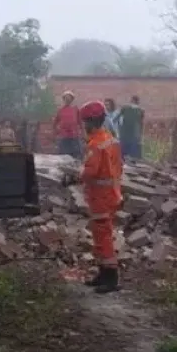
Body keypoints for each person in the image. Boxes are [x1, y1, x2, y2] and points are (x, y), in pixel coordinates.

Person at [61, 100, 123, 293]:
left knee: (103, 237)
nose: (83, 126)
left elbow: (90, 172)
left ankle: (111, 278)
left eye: (84, 122)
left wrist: (72, 178)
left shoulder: (96, 144)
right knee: (101, 235)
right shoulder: (111, 140)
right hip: (111, 194)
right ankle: (104, 273)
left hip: (100, 197)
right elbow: (118, 167)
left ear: (90, 122)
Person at [53, 91, 82, 157]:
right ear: (64, 99)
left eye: (69, 98)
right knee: (63, 156)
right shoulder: (60, 110)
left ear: (72, 99)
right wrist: (56, 131)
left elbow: (80, 123)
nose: (67, 99)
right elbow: (55, 123)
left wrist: (83, 133)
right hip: (64, 137)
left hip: (74, 136)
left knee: (76, 156)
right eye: (66, 98)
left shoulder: (75, 109)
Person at [118, 95, 145, 161]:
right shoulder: (139, 110)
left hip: (128, 133)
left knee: (127, 151)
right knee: (131, 151)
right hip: (130, 133)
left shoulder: (126, 109)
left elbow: (119, 120)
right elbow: (141, 123)